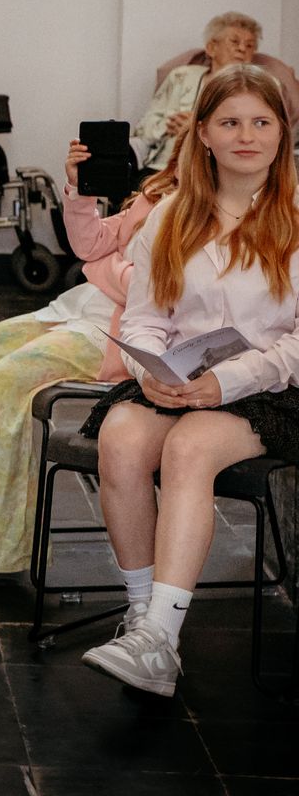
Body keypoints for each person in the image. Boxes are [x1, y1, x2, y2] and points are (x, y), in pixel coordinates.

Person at [80, 64, 299, 696]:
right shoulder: (171, 214)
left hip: (271, 389)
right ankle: (146, 621)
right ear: (202, 132)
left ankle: (160, 635)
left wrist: (225, 384)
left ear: (282, 132)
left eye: (262, 122)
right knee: (120, 440)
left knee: (191, 445)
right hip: (176, 379)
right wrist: (152, 372)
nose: (247, 136)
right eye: (230, 122)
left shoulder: (294, 214)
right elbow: (147, 317)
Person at [0, 146, 176, 586]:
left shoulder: (206, 210)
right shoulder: (157, 191)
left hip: (116, 336)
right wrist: (79, 193)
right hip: (74, 310)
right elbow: (89, 245)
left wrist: (102, 269)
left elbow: (156, 290)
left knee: (5, 382)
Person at [135, 12, 261, 171]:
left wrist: (194, 127)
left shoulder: (261, 86)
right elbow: (142, 129)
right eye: (234, 42)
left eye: (250, 45)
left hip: (218, 173)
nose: (242, 49)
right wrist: (168, 125)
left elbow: (258, 134)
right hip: (163, 168)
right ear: (211, 48)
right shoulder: (181, 76)